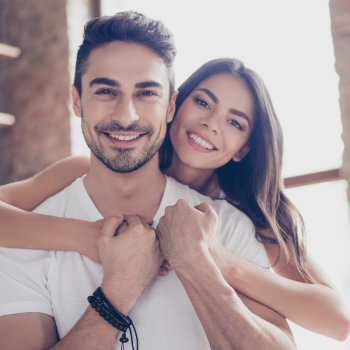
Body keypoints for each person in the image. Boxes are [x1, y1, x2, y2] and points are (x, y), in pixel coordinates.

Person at [1, 52, 350, 342]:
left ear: (243, 150)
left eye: (235, 123)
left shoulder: (240, 219)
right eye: (203, 102)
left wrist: (217, 259)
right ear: (174, 105)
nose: (212, 123)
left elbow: (337, 320)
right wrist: (89, 236)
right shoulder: (85, 171)